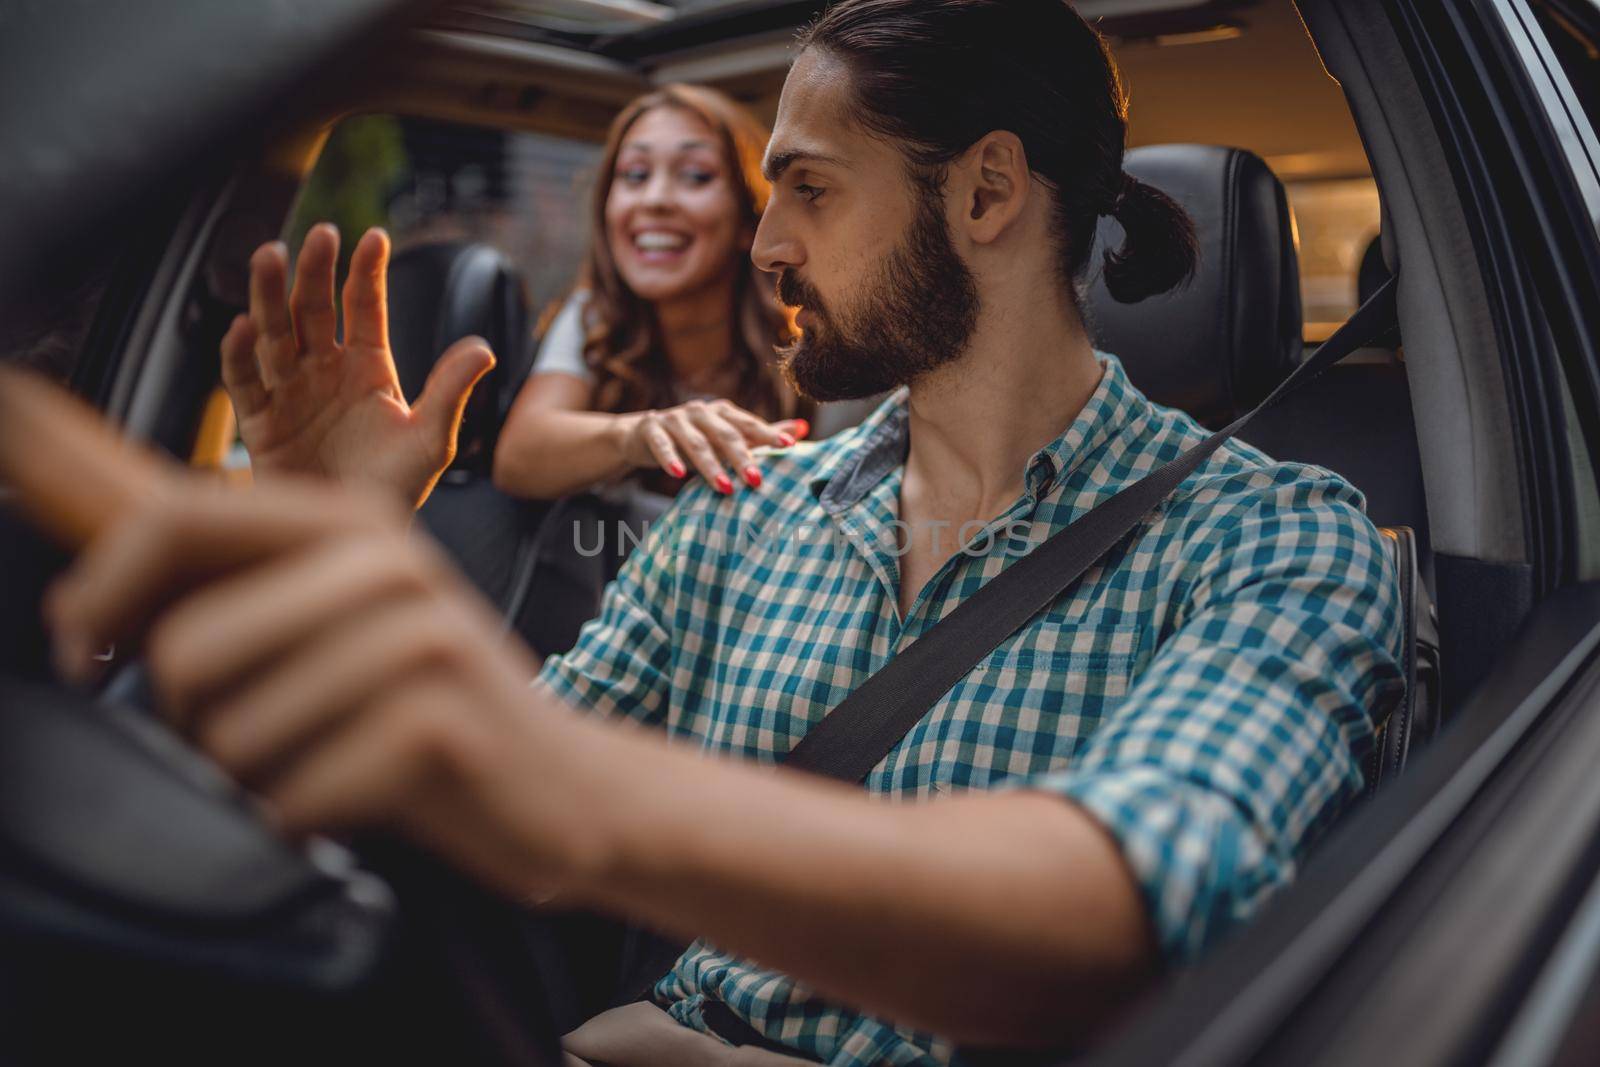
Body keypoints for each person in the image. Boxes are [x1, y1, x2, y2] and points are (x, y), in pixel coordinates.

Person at [28, 1, 1405, 1063]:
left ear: (985, 194)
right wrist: (323, 538)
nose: (763, 241)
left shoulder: (1274, 542)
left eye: (810, 185)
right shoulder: (742, 519)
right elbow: (467, 798)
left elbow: (1133, 909)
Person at [493, 84, 811, 503]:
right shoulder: (592, 316)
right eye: (635, 175)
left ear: (748, 219)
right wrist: (640, 435)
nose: (655, 199)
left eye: (696, 175)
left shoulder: (808, 329)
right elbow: (518, 458)